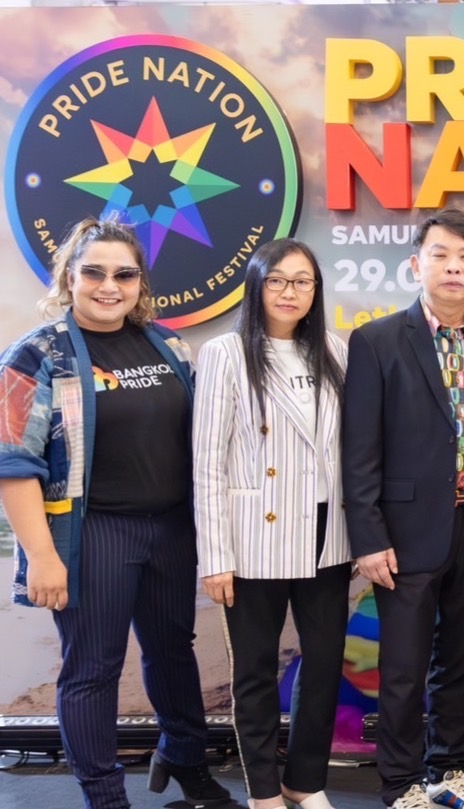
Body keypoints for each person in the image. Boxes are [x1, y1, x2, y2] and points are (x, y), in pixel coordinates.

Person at [0, 217, 229, 809]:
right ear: (69, 278)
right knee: (93, 669)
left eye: (124, 275)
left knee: (173, 651)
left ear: (140, 283)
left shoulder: (167, 345)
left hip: (170, 529)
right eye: (94, 273)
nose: (109, 286)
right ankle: (105, 798)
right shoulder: (35, 355)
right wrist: (43, 557)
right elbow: (13, 464)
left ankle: (185, 761)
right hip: (94, 533)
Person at [343, 209, 464, 809]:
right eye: (440, 255)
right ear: (417, 264)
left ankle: (451, 769)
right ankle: (400, 782)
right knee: (404, 666)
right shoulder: (377, 340)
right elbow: (359, 449)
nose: (453, 267)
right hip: (405, 530)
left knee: (461, 659)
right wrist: (368, 536)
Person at [192, 239, 350, 809]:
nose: (290, 292)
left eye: (303, 281)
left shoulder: (333, 349)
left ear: (316, 291)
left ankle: (304, 781)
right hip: (254, 534)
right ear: (257, 285)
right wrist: (216, 555)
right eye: (278, 280)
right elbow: (207, 460)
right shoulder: (225, 353)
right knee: (256, 671)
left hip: (326, 532)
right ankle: (263, 791)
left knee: (324, 664)